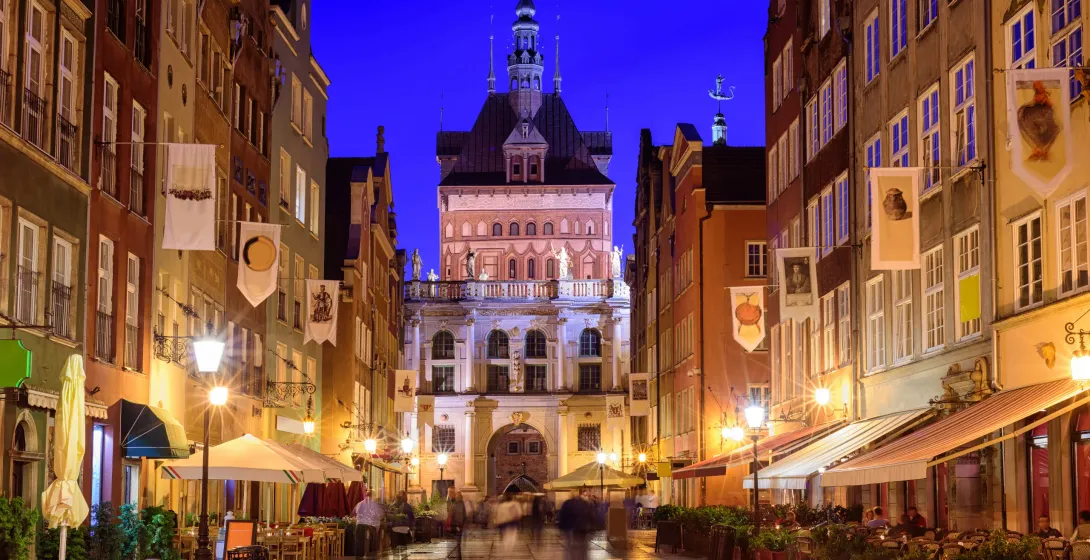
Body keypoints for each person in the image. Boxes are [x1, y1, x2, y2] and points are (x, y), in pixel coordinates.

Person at [558, 490, 594, 560]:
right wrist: (591, 526)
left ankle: (571, 557)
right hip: (580, 529)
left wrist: (561, 527)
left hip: (570, 528)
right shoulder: (584, 503)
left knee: (569, 546)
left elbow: (562, 516)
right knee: (582, 547)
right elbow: (590, 516)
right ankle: (582, 557)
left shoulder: (566, 503)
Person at [352, 490, 384, 558]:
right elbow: (379, 515)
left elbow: (353, 514)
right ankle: (371, 556)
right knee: (372, 543)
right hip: (370, 526)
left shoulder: (359, 503)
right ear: (373, 496)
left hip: (359, 525)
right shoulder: (374, 504)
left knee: (359, 543)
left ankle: (358, 557)